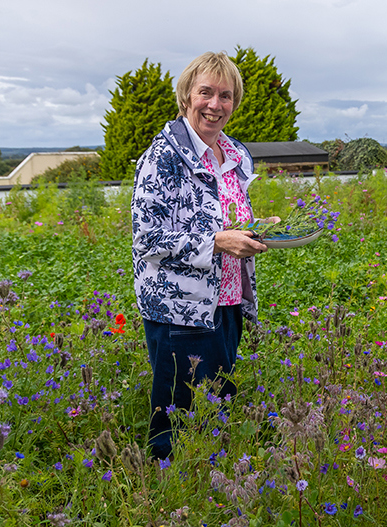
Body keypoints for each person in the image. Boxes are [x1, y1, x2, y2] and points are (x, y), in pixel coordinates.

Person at [131, 51, 275, 460]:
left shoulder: (233, 155)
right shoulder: (163, 157)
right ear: (186, 97)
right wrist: (218, 242)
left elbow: (225, 219)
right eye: (206, 93)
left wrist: (258, 227)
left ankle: (212, 480)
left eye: (226, 96)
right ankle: (166, 484)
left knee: (216, 406)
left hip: (227, 301)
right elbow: (147, 237)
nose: (215, 104)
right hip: (181, 307)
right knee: (178, 417)